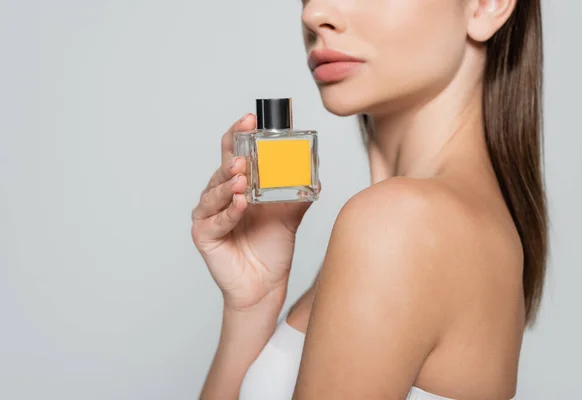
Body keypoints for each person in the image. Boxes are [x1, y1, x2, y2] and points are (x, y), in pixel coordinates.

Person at [191, 0, 547, 398]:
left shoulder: (400, 223)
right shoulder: (424, 220)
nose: (312, 15)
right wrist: (251, 306)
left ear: (485, 6)